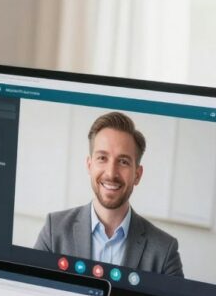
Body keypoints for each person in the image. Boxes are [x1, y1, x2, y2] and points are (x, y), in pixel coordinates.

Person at [34, 111, 184, 277]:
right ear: (89, 165)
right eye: (102, 158)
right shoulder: (54, 230)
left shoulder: (164, 250)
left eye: (123, 162)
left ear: (137, 175)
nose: (111, 173)